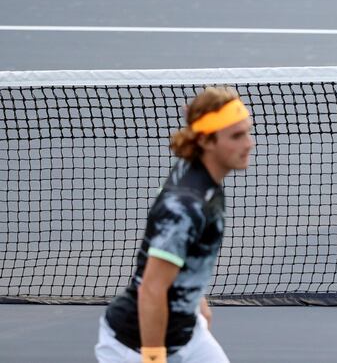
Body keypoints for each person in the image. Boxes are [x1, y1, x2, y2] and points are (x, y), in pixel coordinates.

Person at [95, 87, 254, 363]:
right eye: (237, 136)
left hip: (186, 332)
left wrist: (198, 303)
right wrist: (154, 357)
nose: (248, 143)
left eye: (247, 132)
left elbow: (186, 256)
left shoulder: (203, 173)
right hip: (135, 345)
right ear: (206, 141)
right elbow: (152, 289)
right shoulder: (184, 207)